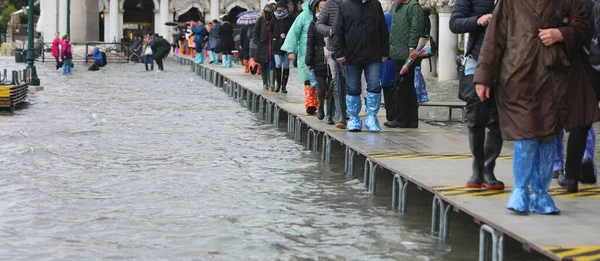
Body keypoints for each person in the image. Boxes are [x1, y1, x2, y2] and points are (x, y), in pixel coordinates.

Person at [474, 0, 598, 214]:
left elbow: (583, 26)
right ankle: (520, 191)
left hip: (554, 79)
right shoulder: (509, 3)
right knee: (527, 135)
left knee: (548, 135)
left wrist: (561, 34)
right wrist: (483, 77)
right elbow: (495, 38)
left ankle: (541, 193)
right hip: (518, 77)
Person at [449, 0, 503, 190]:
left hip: (505, 60)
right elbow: (454, 23)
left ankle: (489, 169)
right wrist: (478, 20)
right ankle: (477, 169)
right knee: (476, 114)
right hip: (476, 58)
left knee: (498, 118)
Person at [331, 0, 389, 132]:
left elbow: (383, 29)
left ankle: (371, 117)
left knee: (374, 85)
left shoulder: (375, 4)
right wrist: (340, 52)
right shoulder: (345, 6)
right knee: (352, 88)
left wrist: (385, 51)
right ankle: (354, 118)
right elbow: (336, 31)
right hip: (351, 55)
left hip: (373, 54)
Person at [386, 0, 425, 129]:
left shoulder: (413, 6)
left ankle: (401, 119)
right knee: (406, 86)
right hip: (398, 53)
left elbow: (416, 28)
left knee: (403, 86)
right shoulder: (396, 6)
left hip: (408, 55)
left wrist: (412, 47)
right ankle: (411, 120)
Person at [282, 0, 318, 113]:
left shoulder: (327, 13)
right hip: (306, 51)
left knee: (323, 77)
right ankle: (310, 103)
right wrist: (291, 50)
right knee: (308, 77)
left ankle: (323, 103)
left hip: (323, 50)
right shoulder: (303, 16)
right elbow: (294, 32)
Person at [317, 0, 347, 129]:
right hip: (333, 48)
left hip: (352, 48)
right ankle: (339, 115)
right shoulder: (330, 4)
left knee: (347, 81)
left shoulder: (355, 3)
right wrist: (330, 30)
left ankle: (339, 111)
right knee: (336, 80)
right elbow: (319, 25)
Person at [306, 0, 334, 124]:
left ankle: (330, 113)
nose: (323, 10)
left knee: (333, 86)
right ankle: (321, 107)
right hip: (319, 57)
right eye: (321, 7)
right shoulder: (313, 24)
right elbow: (310, 44)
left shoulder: (334, 22)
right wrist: (309, 61)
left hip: (333, 56)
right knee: (322, 88)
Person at [271, 0, 295, 93]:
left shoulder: (290, 18)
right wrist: (274, 37)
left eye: (282, 8)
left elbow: (293, 30)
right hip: (276, 45)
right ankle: (278, 85)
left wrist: (286, 35)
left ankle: (284, 86)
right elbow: (271, 30)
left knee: (285, 65)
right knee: (277, 64)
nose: (280, 10)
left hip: (286, 45)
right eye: (278, 8)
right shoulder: (274, 18)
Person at [253, 5, 276, 90]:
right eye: (266, 11)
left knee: (272, 63)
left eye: (269, 11)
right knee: (263, 64)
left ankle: (272, 82)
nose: (268, 12)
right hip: (262, 45)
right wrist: (257, 41)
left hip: (272, 44)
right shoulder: (260, 20)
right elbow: (255, 32)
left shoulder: (274, 19)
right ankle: (265, 82)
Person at [381, 11, 396, 123]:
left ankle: (391, 116)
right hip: (393, 58)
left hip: (387, 58)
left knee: (388, 86)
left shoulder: (386, 17)